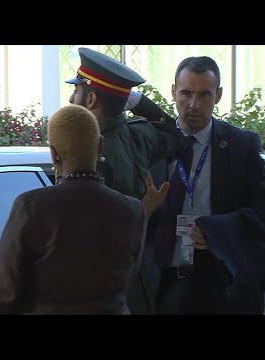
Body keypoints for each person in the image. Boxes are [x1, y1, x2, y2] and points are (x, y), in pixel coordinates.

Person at [0, 105, 148, 315]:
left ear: (54, 155)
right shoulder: (132, 210)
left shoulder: (32, 206)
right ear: (100, 146)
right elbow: (128, 280)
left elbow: (1, 292)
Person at [128, 55, 265, 314]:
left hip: (218, 283)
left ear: (219, 95)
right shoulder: (146, 143)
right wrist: (143, 209)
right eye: (186, 93)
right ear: (173, 92)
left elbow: (260, 215)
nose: (193, 104)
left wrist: (219, 232)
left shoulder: (242, 146)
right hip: (157, 282)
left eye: (204, 95)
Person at [65, 47, 187, 314]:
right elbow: (175, 135)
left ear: (91, 99)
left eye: (76, 91)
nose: (71, 97)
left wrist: (142, 211)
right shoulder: (138, 136)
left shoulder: (83, 153)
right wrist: (137, 101)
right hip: (139, 280)